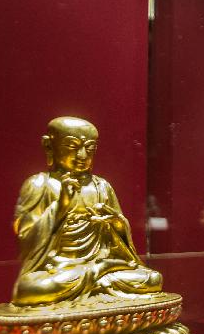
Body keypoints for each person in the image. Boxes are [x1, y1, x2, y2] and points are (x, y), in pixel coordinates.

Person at [12, 116, 162, 305]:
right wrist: (60, 207)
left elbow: (121, 238)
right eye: (73, 147)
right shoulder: (39, 185)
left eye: (89, 149)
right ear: (50, 146)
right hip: (60, 269)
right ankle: (100, 272)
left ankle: (100, 272)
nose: (82, 155)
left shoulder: (102, 187)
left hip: (101, 266)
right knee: (29, 290)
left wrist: (115, 223)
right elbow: (26, 238)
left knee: (152, 279)